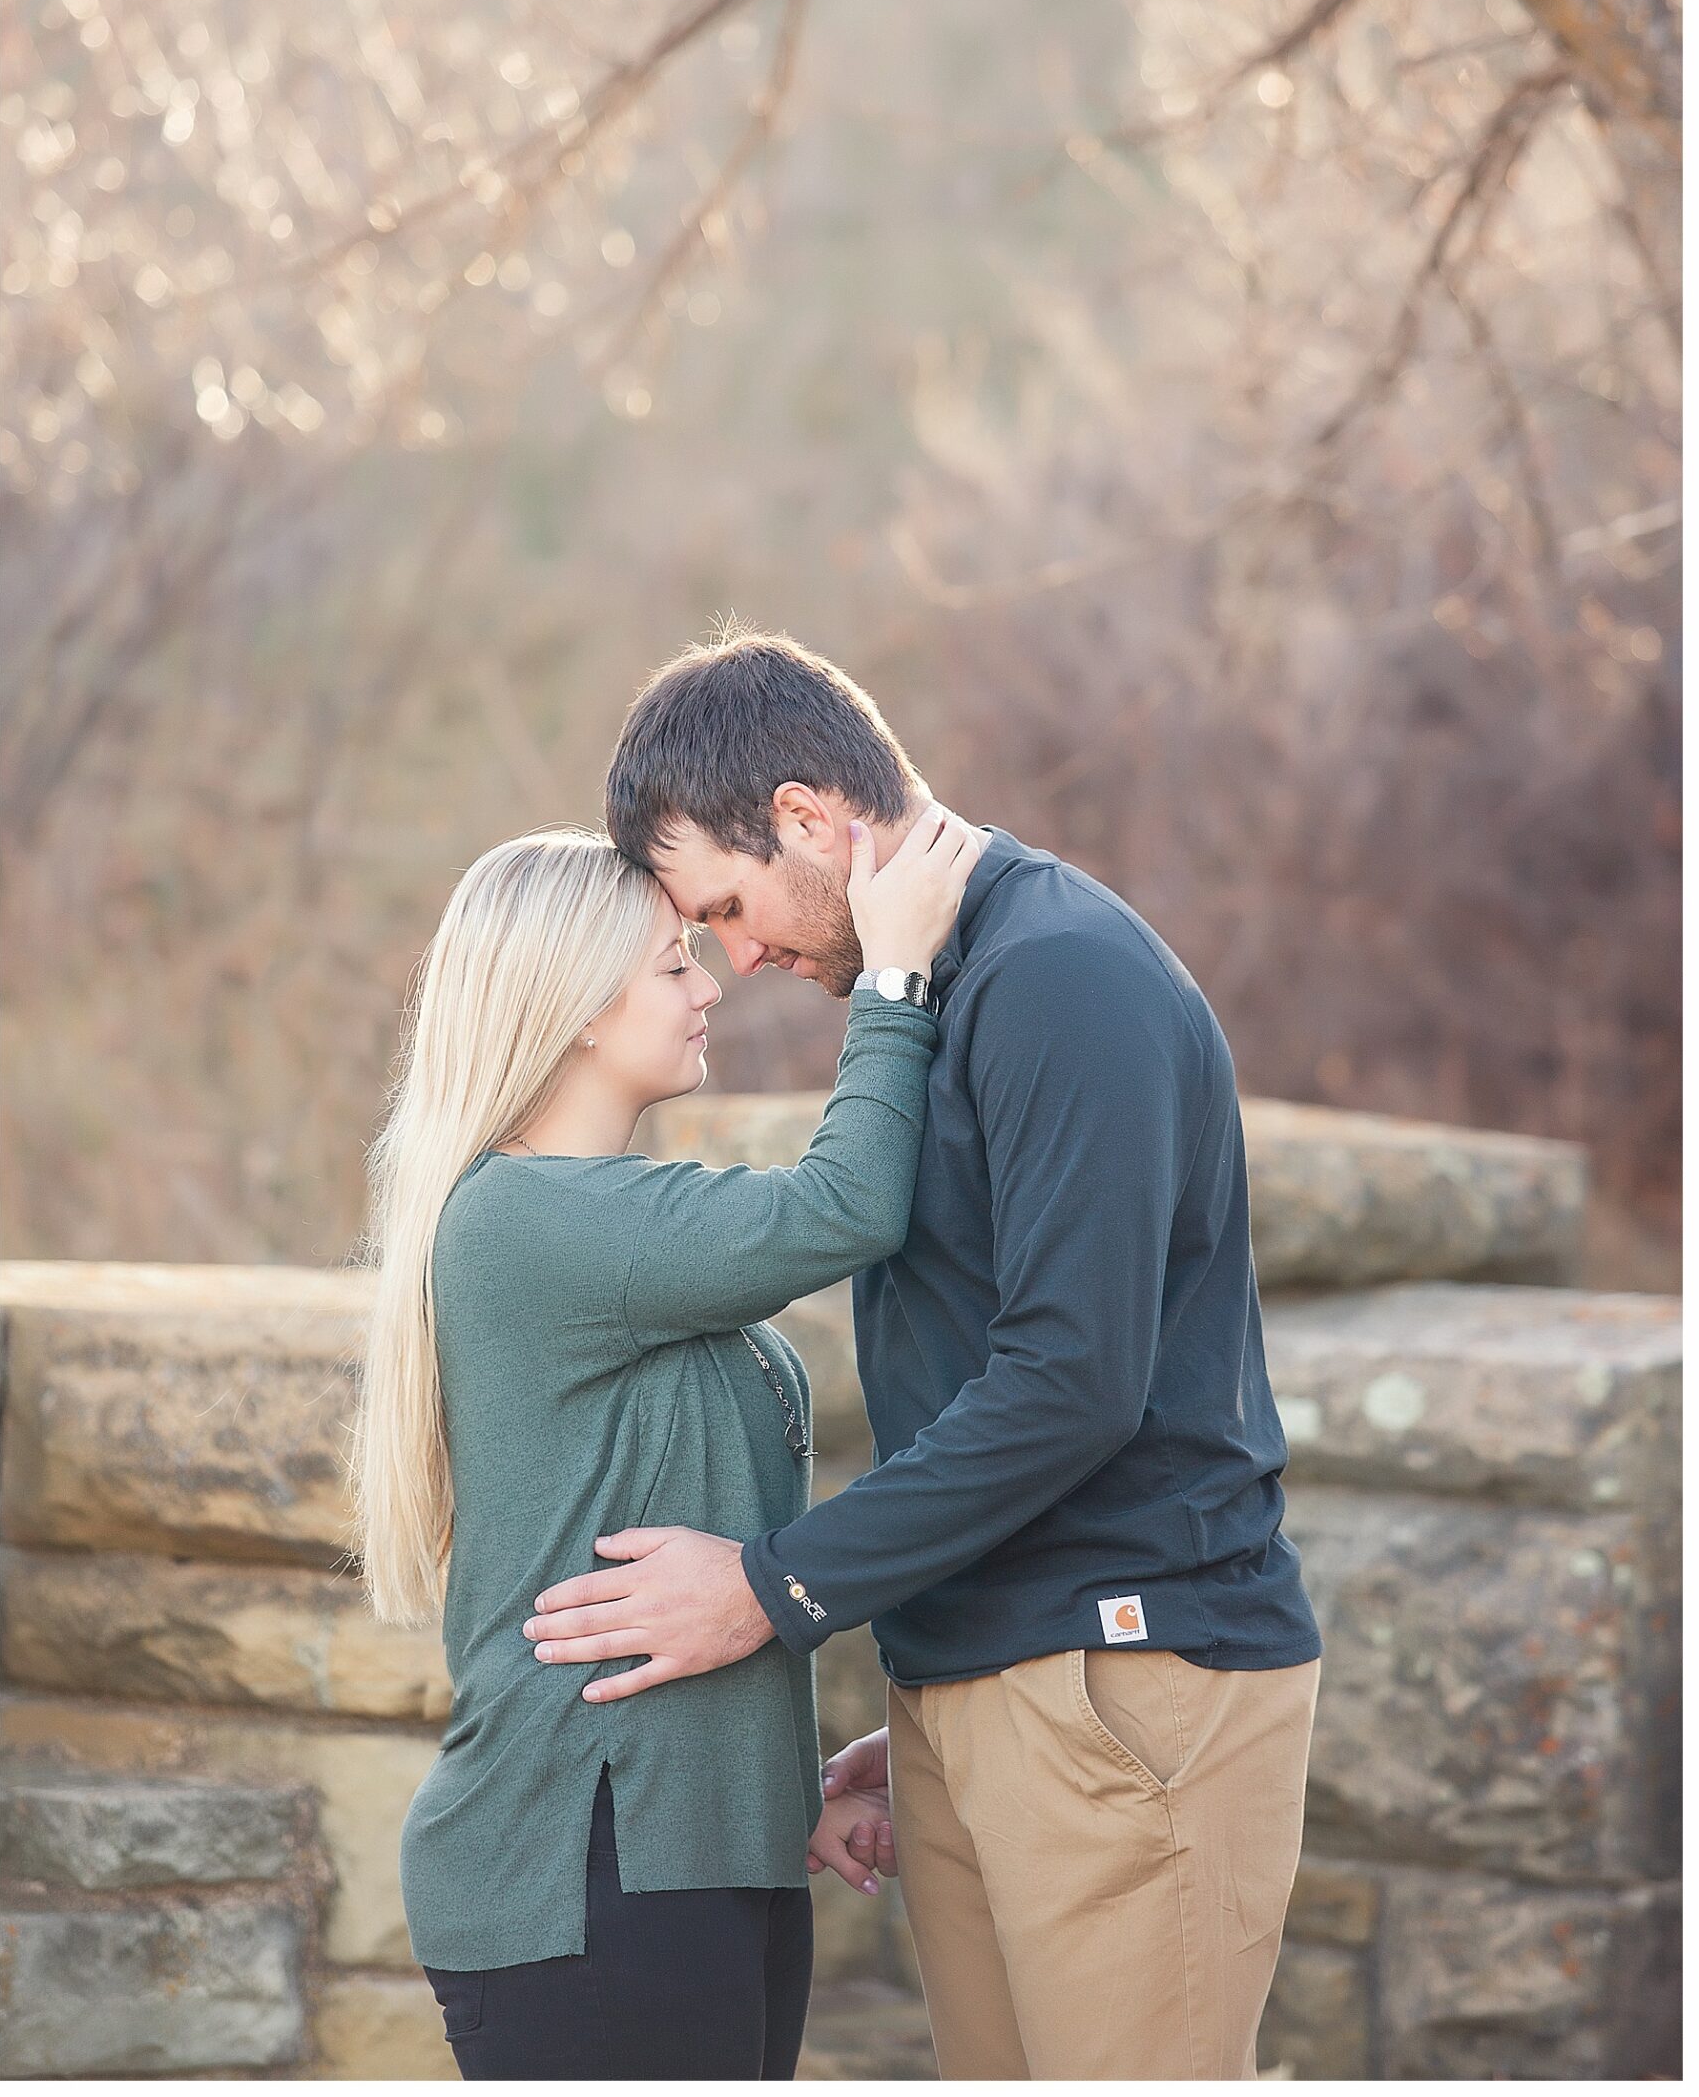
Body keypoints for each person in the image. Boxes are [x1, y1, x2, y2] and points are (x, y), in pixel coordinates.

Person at [522, 630, 1325, 2081]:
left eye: (731, 904)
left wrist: (772, 1591)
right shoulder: (925, 990)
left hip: (1124, 1676)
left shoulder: (1060, 975)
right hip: (1000, 1680)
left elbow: (1071, 1381)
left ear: (811, 820)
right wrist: (952, 1676)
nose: (743, 956)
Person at [350, 809, 980, 2080]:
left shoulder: (605, 1224)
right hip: (576, 1874)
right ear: (579, 1006)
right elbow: (845, 1205)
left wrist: (773, 1789)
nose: (710, 989)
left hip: (693, 1855)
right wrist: (895, 972)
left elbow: (673, 1552)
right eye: (674, 964)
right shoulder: (531, 1218)